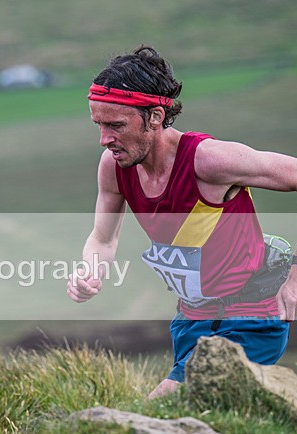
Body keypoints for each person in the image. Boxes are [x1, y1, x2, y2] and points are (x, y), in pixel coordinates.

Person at [67, 46, 297, 399]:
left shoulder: (212, 161)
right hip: (190, 321)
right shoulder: (114, 166)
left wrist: (295, 273)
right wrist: (91, 270)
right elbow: (102, 238)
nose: (104, 139)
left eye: (115, 125)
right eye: (98, 124)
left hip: (250, 317)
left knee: (162, 404)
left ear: (156, 116)